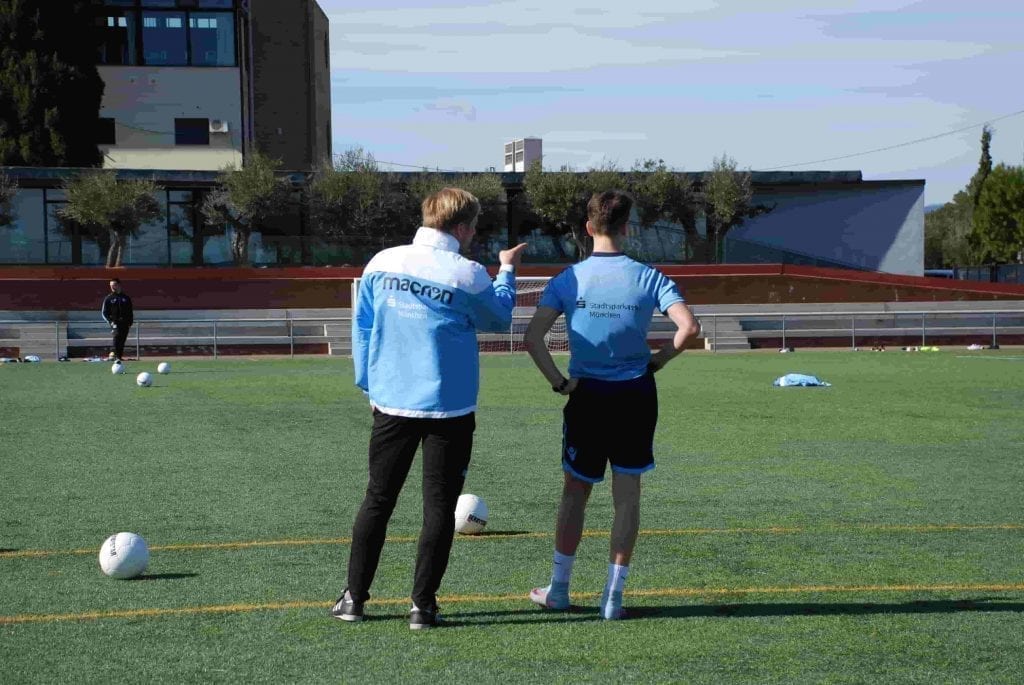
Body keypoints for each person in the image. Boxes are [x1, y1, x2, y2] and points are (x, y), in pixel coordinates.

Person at [331, 187, 528, 630]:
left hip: (391, 402)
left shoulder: (381, 262)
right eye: (474, 227)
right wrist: (508, 270)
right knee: (438, 507)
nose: (474, 234)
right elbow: (498, 319)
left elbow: (362, 327)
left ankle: (353, 600)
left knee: (378, 500)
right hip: (450, 407)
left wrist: (368, 382)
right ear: (460, 227)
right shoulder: (470, 273)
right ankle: (422, 606)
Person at [524, 190, 699, 620]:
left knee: (575, 492)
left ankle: (560, 590)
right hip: (635, 395)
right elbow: (690, 328)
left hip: (586, 396)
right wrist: (656, 361)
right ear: (627, 227)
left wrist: (560, 384)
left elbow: (532, 339)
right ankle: (612, 599)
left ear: (587, 228)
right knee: (627, 495)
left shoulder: (568, 279)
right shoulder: (649, 276)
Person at [101, 278, 134, 362]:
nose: (112, 287)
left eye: (114, 285)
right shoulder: (108, 298)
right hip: (115, 323)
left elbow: (130, 311)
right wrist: (111, 322)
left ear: (119, 285)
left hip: (125, 323)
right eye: (111, 286)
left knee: (122, 339)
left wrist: (130, 322)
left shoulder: (126, 298)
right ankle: (115, 356)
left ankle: (119, 356)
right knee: (117, 338)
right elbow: (104, 313)